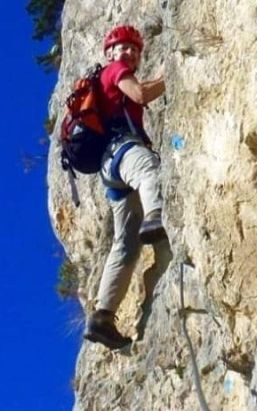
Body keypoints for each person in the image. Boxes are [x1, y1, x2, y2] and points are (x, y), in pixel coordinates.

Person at [83, 25, 173, 349]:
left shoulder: (104, 79)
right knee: (149, 171)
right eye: (122, 47)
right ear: (110, 54)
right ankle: (155, 216)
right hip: (124, 151)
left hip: (111, 169)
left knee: (126, 244)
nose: (129, 53)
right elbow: (140, 95)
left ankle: (102, 317)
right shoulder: (114, 71)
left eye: (134, 49)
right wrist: (170, 74)